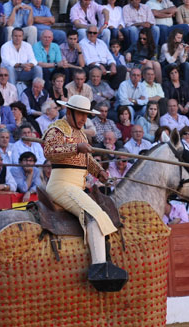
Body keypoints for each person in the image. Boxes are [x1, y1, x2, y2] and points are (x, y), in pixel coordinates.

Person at [44, 94, 127, 290]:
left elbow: (87, 160)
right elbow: (49, 151)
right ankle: (99, 268)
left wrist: (100, 172)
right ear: (69, 111)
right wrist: (75, 148)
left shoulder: (81, 134)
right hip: (61, 184)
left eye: (86, 115)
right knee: (93, 214)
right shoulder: (57, 129)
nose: (83, 119)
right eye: (80, 114)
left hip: (76, 185)